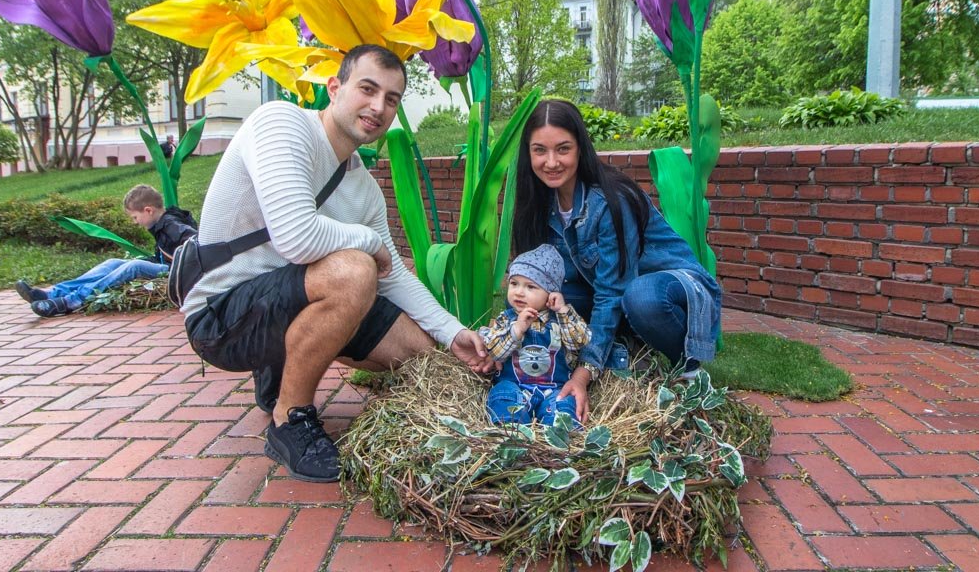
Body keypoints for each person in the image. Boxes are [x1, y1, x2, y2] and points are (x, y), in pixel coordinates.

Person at [182, 45, 489, 484]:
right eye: (367, 89)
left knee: (419, 353)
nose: (377, 106)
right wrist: (369, 245)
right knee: (355, 271)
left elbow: (394, 276)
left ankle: (280, 366)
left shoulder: (362, 187)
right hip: (221, 315)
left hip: (288, 296)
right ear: (335, 87)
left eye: (391, 99)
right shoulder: (281, 123)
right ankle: (291, 421)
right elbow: (297, 236)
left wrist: (454, 333)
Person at [512, 99, 722, 424]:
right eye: (540, 150)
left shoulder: (609, 201)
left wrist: (583, 374)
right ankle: (628, 348)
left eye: (563, 149)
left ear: (580, 148)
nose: (551, 162)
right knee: (551, 297)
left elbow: (612, 292)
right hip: (615, 291)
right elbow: (538, 282)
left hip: (671, 288)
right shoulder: (539, 203)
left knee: (640, 297)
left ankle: (687, 369)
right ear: (528, 153)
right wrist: (508, 341)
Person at [17, 184, 197, 318]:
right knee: (113, 263)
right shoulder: (161, 223)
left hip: (177, 271)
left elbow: (197, 241)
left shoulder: (172, 225)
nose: (135, 222)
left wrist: (182, 261)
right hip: (164, 264)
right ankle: (53, 293)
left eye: (135, 217)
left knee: (134, 266)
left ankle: (71, 301)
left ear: (148, 210)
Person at [479, 244, 591, 427]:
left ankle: (558, 433)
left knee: (563, 408)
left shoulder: (561, 320)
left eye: (531, 286)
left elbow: (579, 342)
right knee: (502, 398)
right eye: (514, 283)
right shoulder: (506, 320)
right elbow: (495, 352)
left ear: (551, 293)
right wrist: (517, 329)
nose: (519, 292)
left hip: (555, 389)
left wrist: (563, 311)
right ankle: (511, 431)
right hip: (515, 387)